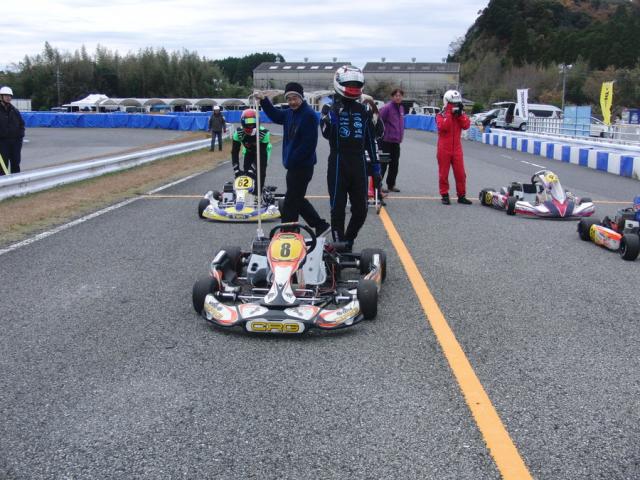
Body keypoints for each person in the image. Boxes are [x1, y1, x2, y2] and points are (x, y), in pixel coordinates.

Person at [254, 83, 330, 237]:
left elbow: (309, 144)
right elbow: (276, 116)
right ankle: (319, 225)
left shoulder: (308, 115)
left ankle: (288, 231)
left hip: (302, 166)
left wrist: (293, 160)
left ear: (301, 98)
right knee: (296, 198)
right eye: (289, 99)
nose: (292, 102)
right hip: (293, 165)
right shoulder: (290, 113)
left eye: (295, 98)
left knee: (291, 200)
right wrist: (264, 101)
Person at [320, 66, 378, 249]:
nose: (353, 87)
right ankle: (339, 245)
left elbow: (371, 140)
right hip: (338, 161)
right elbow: (326, 133)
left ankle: (348, 241)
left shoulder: (364, 109)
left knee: (361, 210)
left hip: (359, 162)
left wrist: (376, 169)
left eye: (356, 84)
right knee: (337, 208)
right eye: (349, 83)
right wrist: (332, 116)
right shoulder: (329, 107)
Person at [436, 89, 472, 205]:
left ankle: (461, 195)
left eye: (457, 103)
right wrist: (449, 114)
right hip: (444, 148)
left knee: (461, 174)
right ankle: (444, 195)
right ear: (447, 102)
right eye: (453, 103)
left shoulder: (459, 114)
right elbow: (444, 127)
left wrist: (460, 114)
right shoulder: (440, 115)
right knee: (443, 173)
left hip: (457, 148)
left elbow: (466, 125)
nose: (455, 106)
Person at [231, 109, 271, 190]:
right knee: (246, 172)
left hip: (263, 152)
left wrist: (252, 169)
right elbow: (234, 152)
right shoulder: (238, 133)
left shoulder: (264, 133)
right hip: (248, 151)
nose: (250, 126)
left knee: (260, 172)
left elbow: (262, 155)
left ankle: (259, 191)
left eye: (252, 122)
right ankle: (246, 192)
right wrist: (236, 169)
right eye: (247, 123)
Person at [378, 87, 405, 192]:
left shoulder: (401, 108)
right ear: (392, 97)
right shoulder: (387, 107)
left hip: (396, 142)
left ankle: (391, 185)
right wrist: (381, 135)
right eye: (396, 96)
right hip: (386, 141)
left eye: (400, 96)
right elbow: (379, 121)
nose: (398, 97)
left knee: (394, 164)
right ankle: (378, 185)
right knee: (383, 164)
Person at [0, 86, 25, 175]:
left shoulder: (14, 111)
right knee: (2, 167)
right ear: (1, 96)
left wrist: (20, 137)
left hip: (15, 143)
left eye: (10, 96)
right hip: (2, 143)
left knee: (16, 164)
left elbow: (21, 124)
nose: (8, 97)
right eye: (6, 95)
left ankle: (17, 182)